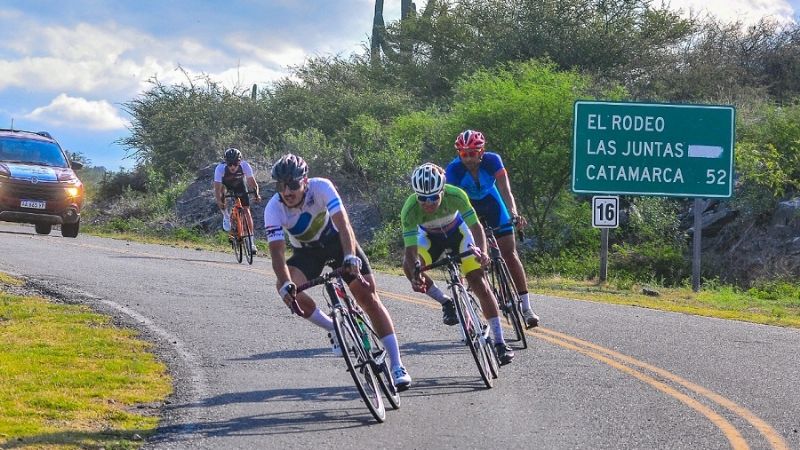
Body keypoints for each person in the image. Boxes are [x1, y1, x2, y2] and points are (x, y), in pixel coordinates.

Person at [265, 154, 412, 390]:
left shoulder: (322, 187)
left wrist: (351, 256)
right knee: (289, 292)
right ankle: (334, 327)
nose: (287, 191)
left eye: (292, 184)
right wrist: (285, 284)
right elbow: (277, 254)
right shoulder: (274, 208)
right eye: (281, 186)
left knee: (367, 296)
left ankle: (397, 365)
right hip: (307, 253)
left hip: (338, 242)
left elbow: (344, 225)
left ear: (305, 181)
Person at [401, 163, 514, 365]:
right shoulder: (409, 210)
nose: (428, 203)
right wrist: (416, 272)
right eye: (422, 198)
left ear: (443, 190)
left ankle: (500, 342)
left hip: (459, 234)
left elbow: (476, 227)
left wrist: (483, 252)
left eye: (434, 197)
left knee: (478, 281)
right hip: (429, 239)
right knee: (408, 267)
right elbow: (411, 252)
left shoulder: (456, 195)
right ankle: (446, 302)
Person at [445, 130, 540, 328]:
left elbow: (506, 190)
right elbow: (453, 203)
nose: (469, 158)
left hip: (493, 203)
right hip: (468, 208)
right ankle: (471, 308)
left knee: (510, 254)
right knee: (472, 259)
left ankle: (526, 308)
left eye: (473, 153)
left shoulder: (493, 160)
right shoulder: (453, 170)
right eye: (464, 154)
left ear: (482, 151)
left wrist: (513, 213)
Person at [213, 148, 261, 254]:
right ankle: (226, 216)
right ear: (226, 163)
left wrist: (257, 194)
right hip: (225, 185)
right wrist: (220, 201)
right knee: (222, 196)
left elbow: (253, 184)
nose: (232, 166)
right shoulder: (220, 169)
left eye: (235, 163)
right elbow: (217, 189)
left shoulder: (245, 166)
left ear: (240, 162)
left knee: (247, 210)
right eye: (229, 164)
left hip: (239, 185)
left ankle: (251, 243)